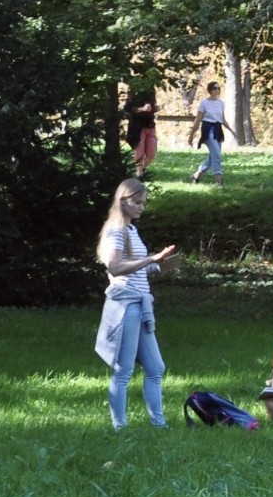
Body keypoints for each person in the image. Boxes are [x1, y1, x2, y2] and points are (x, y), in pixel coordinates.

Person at [93, 177, 177, 429]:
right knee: (124, 369)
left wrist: (159, 265)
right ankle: (119, 427)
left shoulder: (131, 230)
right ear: (123, 201)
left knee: (155, 368)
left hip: (142, 305)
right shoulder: (116, 230)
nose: (142, 207)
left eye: (144, 203)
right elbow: (115, 267)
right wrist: (151, 258)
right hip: (126, 304)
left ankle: (159, 425)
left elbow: (138, 268)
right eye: (138, 202)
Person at [190, 80, 229, 183]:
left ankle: (197, 175)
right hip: (208, 129)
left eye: (219, 88)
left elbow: (222, 119)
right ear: (210, 91)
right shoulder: (204, 103)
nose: (217, 90)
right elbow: (198, 120)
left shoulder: (221, 103)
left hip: (218, 129)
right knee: (216, 155)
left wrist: (232, 131)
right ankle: (218, 180)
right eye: (215, 88)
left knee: (213, 156)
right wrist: (191, 135)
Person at [128, 94, 160, 179]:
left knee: (151, 154)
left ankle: (141, 169)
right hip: (138, 127)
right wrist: (142, 109)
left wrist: (155, 109)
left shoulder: (151, 90)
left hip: (150, 126)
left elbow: (151, 107)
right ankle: (139, 175)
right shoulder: (134, 91)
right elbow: (129, 109)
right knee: (139, 153)